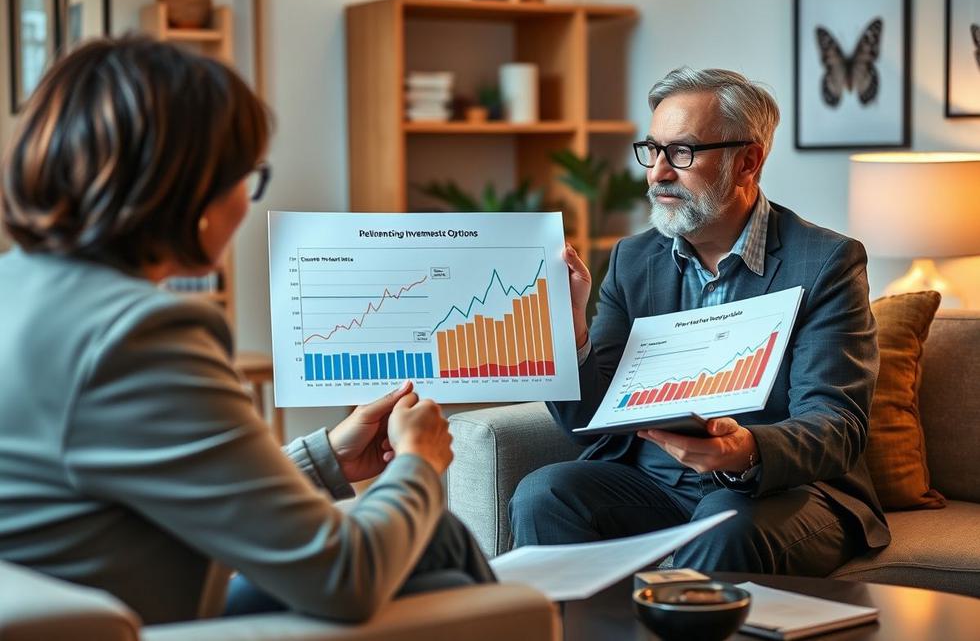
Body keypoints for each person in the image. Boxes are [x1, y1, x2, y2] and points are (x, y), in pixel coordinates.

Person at [0, 37, 493, 625]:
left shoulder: (18, 285)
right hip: (154, 626)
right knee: (434, 537)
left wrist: (327, 458)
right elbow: (344, 576)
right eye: (246, 178)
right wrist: (419, 460)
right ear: (191, 189)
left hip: (83, 607)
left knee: (432, 551)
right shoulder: (139, 335)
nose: (245, 202)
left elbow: (162, 474)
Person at [509, 67, 889, 576]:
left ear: (748, 161)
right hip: (657, 482)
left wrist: (745, 450)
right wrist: (570, 326)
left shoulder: (825, 262)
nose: (659, 172)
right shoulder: (633, 259)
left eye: (683, 152)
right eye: (653, 150)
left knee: (723, 520)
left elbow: (836, 425)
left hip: (781, 489)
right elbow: (590, 423)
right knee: (544, 494)